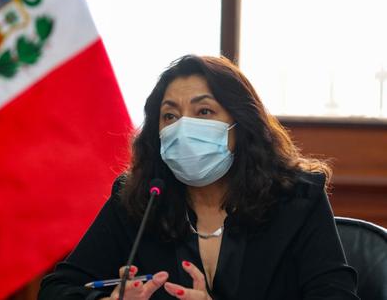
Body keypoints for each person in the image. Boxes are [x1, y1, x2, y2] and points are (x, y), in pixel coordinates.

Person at [38, 55, 358, 300]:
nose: (183, 127)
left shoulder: (297, 198)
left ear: (240, 125)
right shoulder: (138, 199)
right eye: (170, 116)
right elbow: (56, 288)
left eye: (204, 112)